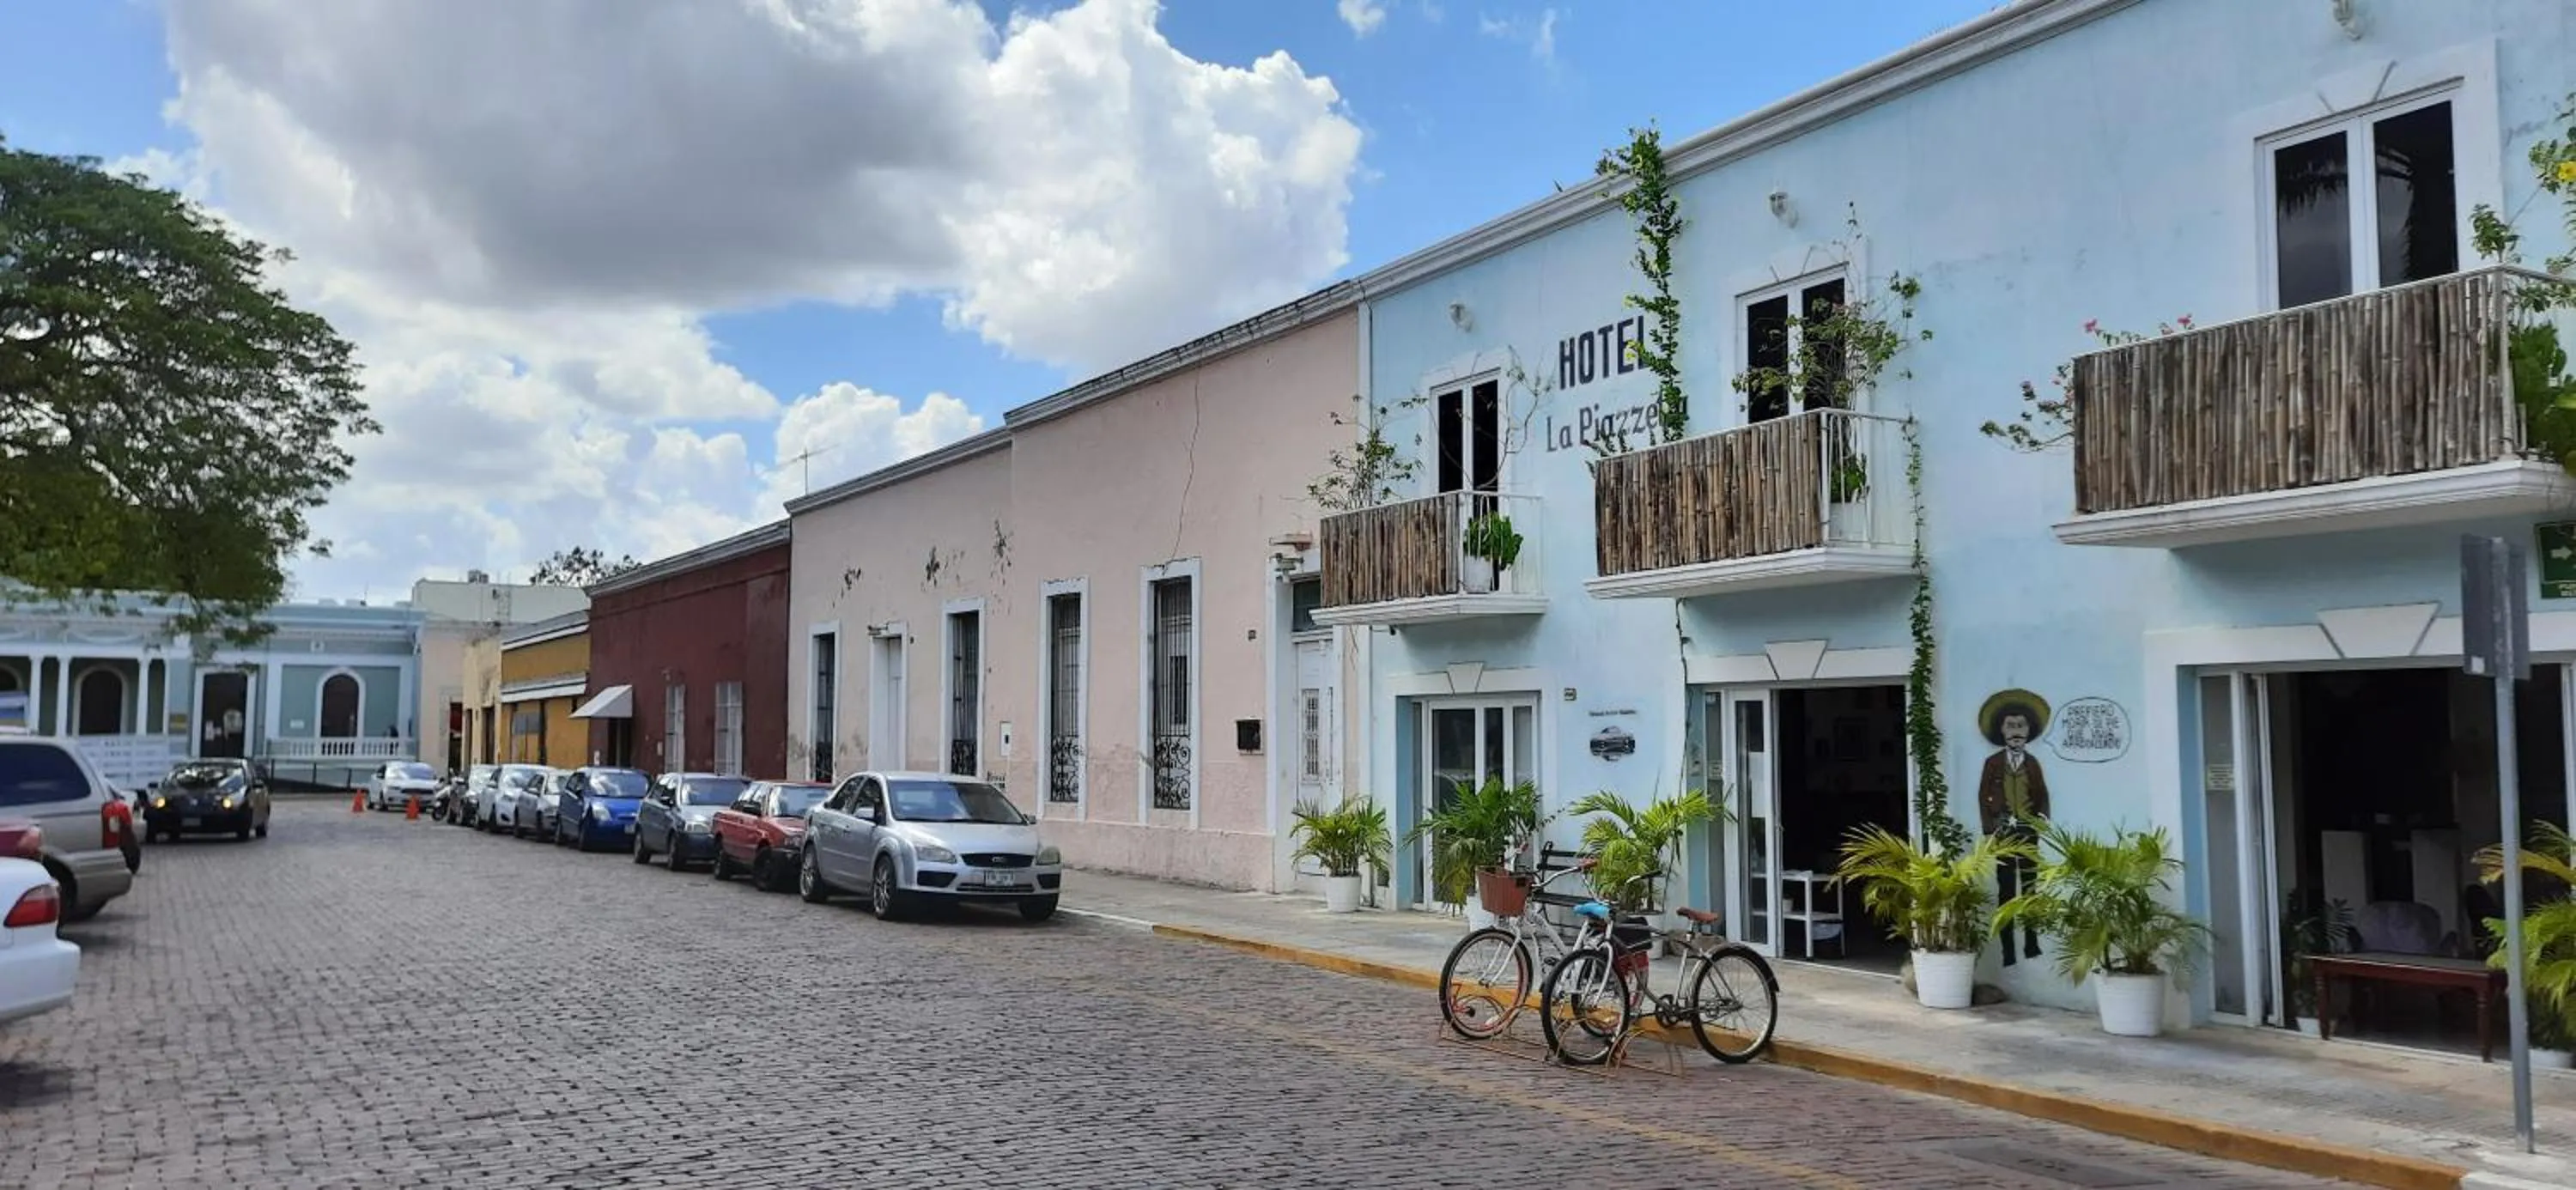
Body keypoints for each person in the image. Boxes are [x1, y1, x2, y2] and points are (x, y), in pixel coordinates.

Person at [1976, 690, 2052, 967]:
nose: (2016, 732)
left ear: (2029, 731)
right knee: (2006, 890)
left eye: (2021, 726)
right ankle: (2008, 951)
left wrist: (2042, 817)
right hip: (2003, 832)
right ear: (2002, 731)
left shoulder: (2033, 764)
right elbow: (1982, 796)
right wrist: (1989, 828)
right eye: (2011, 726)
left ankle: (2031, 944)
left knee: (2030, 889)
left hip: (2028, 831)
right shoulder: (1993, 763)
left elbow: (2042, 794)